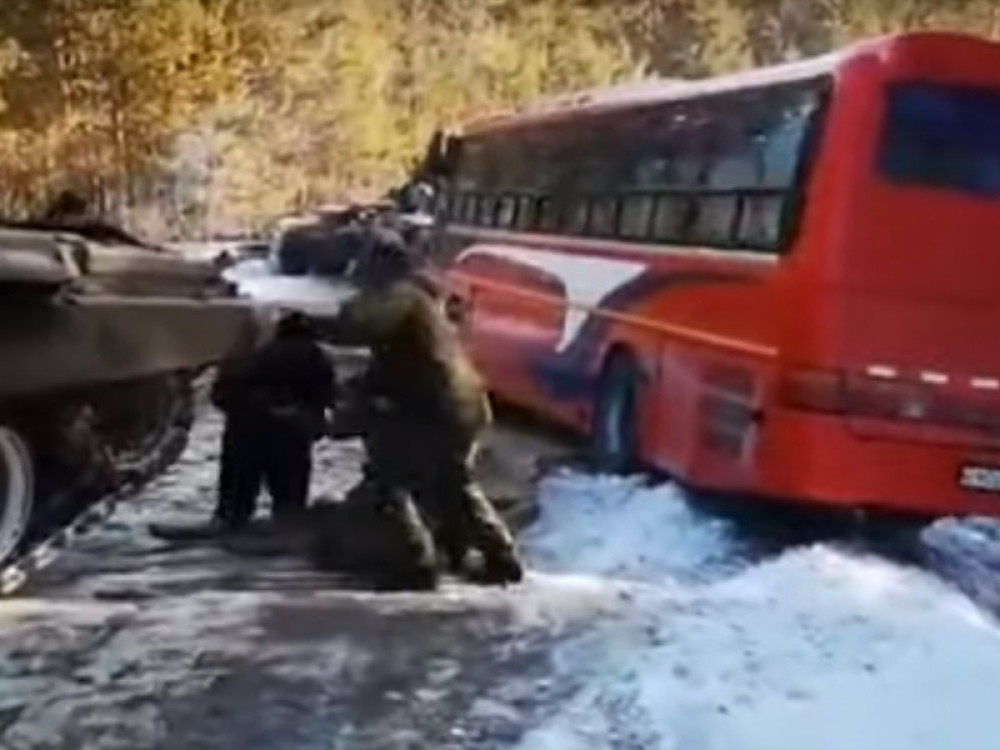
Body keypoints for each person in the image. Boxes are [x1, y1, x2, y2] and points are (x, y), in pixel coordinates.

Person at [324, 232, 524, 585]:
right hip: (462, 404)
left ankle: (417, 563)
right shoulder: (427, 300)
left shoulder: (403, 297)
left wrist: (312, 324)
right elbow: (396, 359)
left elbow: (359, 326)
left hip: (436, 407)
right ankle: (499, 556)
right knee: (453, 483)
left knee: (391, 478)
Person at [209, 310, 337, 532]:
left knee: (235, 505)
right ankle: (286, 530)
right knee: (289, 506)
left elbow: (222, 395)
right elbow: (327, 397)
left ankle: (231, 523)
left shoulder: (249, 356)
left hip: (246, 434)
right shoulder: (318, 358)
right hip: (292, 436)